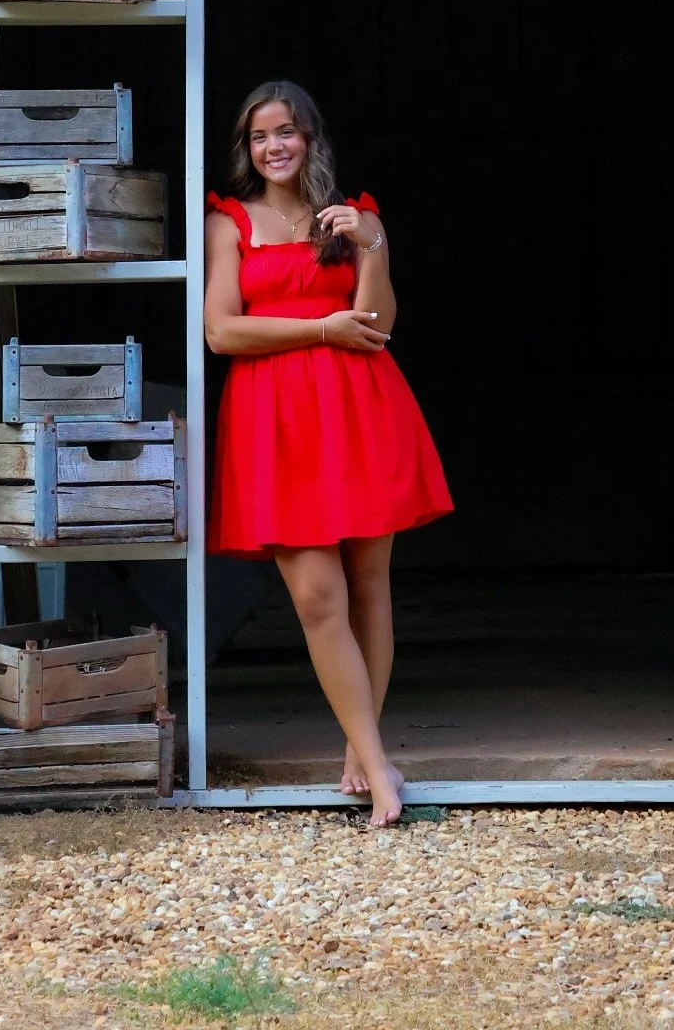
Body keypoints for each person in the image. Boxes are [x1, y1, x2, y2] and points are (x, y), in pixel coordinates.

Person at [204, 80, 453, 826]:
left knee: (371, 582)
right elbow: (222, 331)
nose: (272, 147)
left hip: (358, 406)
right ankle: (379, 767)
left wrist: (372, 245)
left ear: (310, 138)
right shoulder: (229, 223)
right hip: (272, 419)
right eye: (258, 136)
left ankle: (364, 749)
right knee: (318, 597)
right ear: (247, 148)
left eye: (286, 132)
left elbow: (378, 323)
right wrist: (320, 330)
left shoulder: (354, 219)